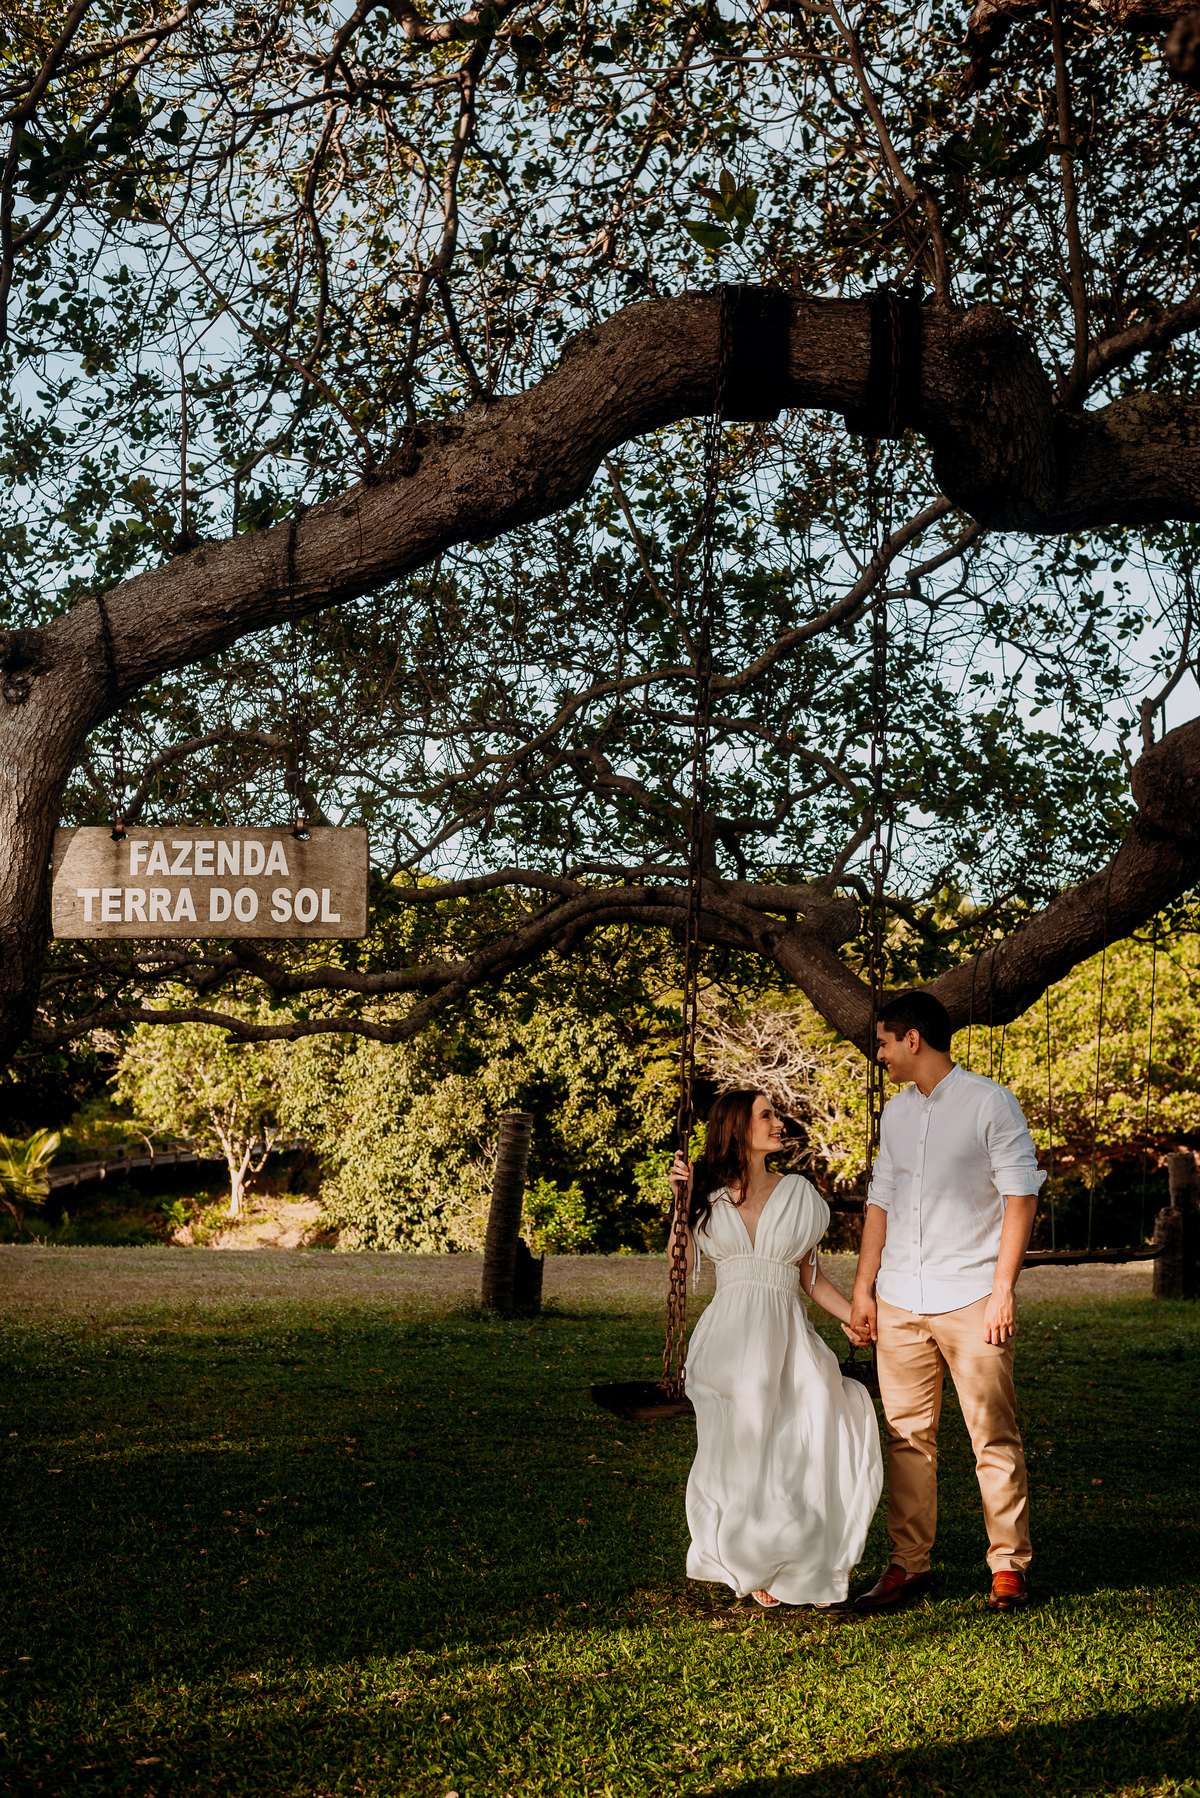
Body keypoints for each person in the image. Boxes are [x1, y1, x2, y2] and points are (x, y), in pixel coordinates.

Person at [850, 989, 1043, 1616]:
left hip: (972, 1297)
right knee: (907, 1437)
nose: (877, 1053)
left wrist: (1003, 1290)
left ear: (912, 1039)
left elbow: (1020, 1195)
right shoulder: (895, 1115)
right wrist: (864, 1286)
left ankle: (1007, 1567)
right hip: (900, 1298)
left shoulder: (990, 1102)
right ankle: (910, 1564)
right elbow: (880, 1198)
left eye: (882, 1041)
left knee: (993, 1436)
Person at [669, 1089, 883, 1609]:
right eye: (765, 1115)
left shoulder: (799, 1194)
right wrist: (681, 1200)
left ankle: (792, 1556)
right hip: (730, 1336)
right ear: (738, 1127)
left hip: (785, 1332)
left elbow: (810, 1278)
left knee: (810, 1426)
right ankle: (750, 1560)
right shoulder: (706, 1196)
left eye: (775, 1114)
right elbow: (678, 1265)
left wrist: (855, 1316)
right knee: (741, 1452)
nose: (777, 1122)